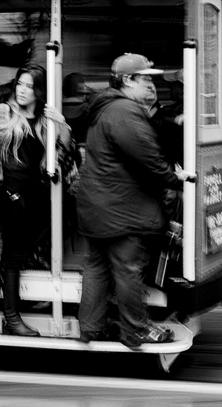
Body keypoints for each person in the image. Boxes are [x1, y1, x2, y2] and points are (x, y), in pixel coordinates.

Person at [73, 53, 190, 348]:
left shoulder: (105, 107)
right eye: (146, 78)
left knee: (97, 267)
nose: (151, 84)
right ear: (128, 80)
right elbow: (148, 158)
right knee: (129, 269)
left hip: (98, 207)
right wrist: (176, 178)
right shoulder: (124, 111)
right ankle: (135, 331)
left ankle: (90, 328)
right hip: (121, 208)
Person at [0, 64, 73, 337]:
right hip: (9, 194)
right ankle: (11, 319)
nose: (22, 90)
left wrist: (61, 123)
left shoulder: (44, 119)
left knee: (19, 253)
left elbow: (62, 152)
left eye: (29, 86)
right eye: (20, 83)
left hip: (33, 196)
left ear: (39, 91)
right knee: (13, 257)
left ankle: (12, 315)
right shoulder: (4, 112)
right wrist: (2, 191)